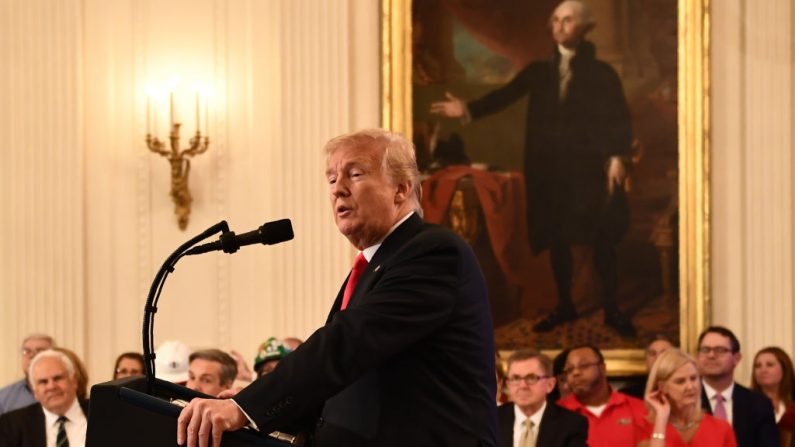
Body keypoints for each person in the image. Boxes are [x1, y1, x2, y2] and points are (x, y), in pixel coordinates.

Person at [176, 128, 498, 446]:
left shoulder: (433, 251)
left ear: (401, 189)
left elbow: (347, 344)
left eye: (354, 174)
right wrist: (262, 408)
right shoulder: (375, 265)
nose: (337, 190)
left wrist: (246, 406)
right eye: (331, 179)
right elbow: (349, 387)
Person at [430, 0, 634, 336]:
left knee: (602, 241)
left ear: (585, 28)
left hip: (590, 174)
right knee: (557, 240)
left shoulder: (602, 74)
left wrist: (617, 158)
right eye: (555, 20)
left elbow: (618, 120)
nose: (558, 26)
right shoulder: (539, 72)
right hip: (551, 176)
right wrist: (466, 109)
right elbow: (506, 95)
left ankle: (612, 308)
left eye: (567, 20)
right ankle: (565, 305)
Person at [696, 326, 779, 447]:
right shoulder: (685, 399)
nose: (711, 355)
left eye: (719, 350)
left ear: (737, 358)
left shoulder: (759, 404)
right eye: (705, 350)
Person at [636, 348, 736, 446]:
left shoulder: (721, 429)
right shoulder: (641, 428)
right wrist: (661, 419)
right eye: (680, 381)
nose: (690, 386)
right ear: (662, 387)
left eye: (693, 378)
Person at [558, 344, 646, 446]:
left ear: (603, 368)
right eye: (569, 369)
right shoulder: (556, 413)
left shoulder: (638, 408)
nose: (575, 372)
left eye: (584, 365)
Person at [0, 349, 89, 447]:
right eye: (43, 382)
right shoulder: (10, 425)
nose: (51, 387)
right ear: (34, 391)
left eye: (57, 378)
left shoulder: (102, 413)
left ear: (74, 381)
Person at [498, 349, 587, 447]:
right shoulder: (489, 420)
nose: (523, 386)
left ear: (550, 384)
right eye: (516, 378)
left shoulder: (571, 424)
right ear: (508, 384)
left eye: (531, 378)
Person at [0, 334, 54, 416]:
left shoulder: (66, 391)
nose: (31, 355)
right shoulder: (4, 397)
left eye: (40, 351)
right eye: (26, 351)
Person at [751, 346, 795, 447]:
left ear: (785, 368)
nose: (763, 370)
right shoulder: (746, 403)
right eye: (757, 366)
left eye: (769, 365)